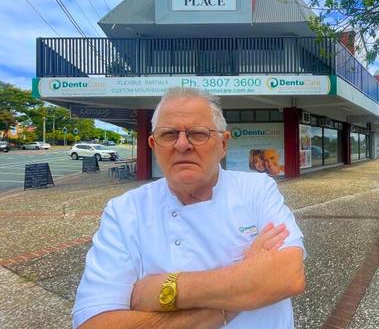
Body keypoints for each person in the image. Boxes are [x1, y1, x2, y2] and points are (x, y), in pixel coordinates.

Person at [72, 87, 306, 328]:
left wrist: (164, 288)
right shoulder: (125, 212)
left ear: (223, 143)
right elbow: (93, 322)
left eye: (198, 133)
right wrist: (229, 302)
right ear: (153, 144)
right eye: (169, 134)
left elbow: (289, 275)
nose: (182, 145)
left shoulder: (256, 189)